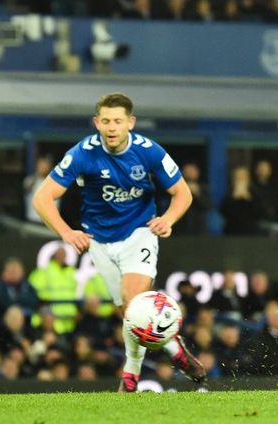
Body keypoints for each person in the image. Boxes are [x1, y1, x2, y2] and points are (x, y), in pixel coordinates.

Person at [31, 92, 206, 392]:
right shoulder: (82, 153)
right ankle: (173, 349)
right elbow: (42, 198)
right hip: (99, 240)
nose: (112, 127)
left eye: (118, 121)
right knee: (127, 313)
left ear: (131, 123)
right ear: (96, 122)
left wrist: (168, 220)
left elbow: (183, 193)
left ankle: (130, 375)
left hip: (140, 231)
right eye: (106, 121)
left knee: (134, 302)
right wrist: (66, 232)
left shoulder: (148, 151)